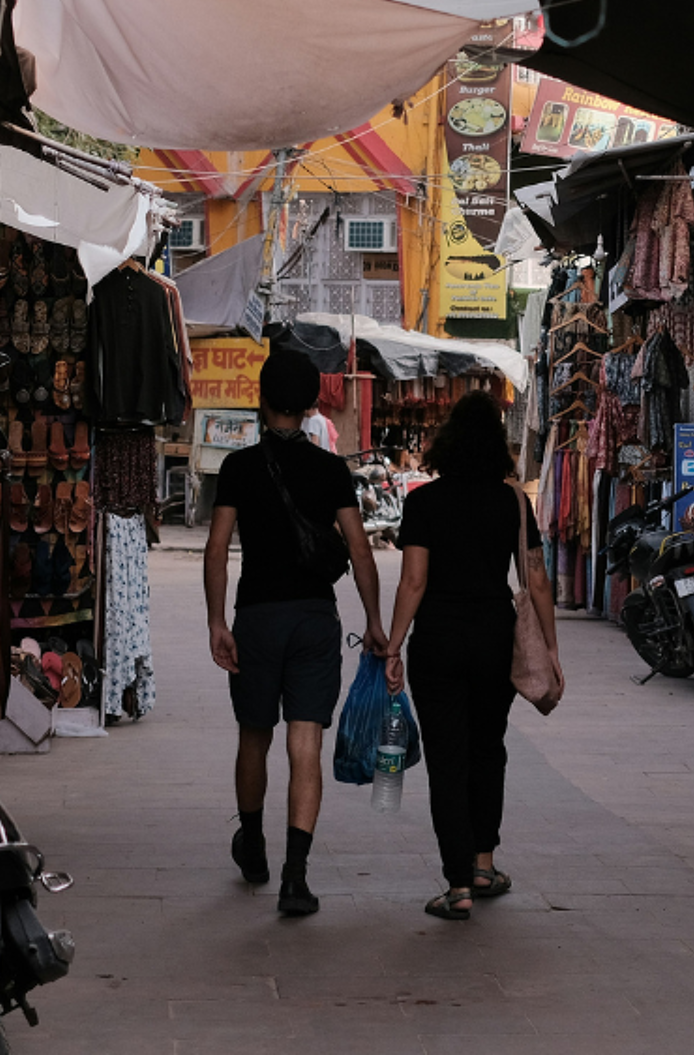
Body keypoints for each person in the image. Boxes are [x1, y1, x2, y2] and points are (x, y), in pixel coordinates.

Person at [205, 349, 386, 916]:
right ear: (312, 405)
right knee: (304, 739)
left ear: (261, 400)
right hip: (313, 618)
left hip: (256, 618)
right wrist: (375, 622)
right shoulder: (332, 470)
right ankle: (295, 877)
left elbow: (216, 549)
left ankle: (253, 845)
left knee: (254, 735)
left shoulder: (238, 468)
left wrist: (216, 621)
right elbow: (359, 550)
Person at [382, 392, 561, 920]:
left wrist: (392, 646)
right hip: (493, 640)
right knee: (488, 750)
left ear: (449, 442)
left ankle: (458, 884)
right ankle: (484, 862)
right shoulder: (513, 502)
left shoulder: (424, 503)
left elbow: (413, 582)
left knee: (448, 760)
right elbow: (537, 581)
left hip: (437, 641)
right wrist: (550, 650)